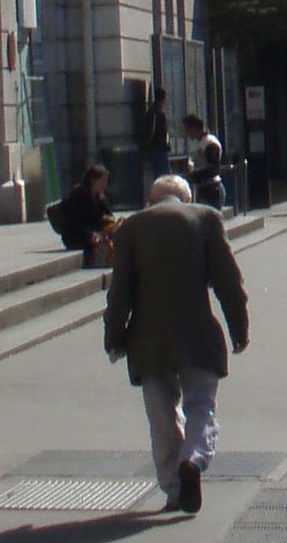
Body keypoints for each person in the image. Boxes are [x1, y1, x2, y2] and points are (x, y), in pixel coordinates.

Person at [104, 173, 250, 513]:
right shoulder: (205, 219)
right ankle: (194, 459)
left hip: (148, 338)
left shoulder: (131, 228)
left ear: (151, 200)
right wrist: (239, 330)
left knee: (162, 414)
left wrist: (114, 337)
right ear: (185, 198)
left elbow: (120, 291)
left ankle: (173, 489)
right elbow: (229, 281)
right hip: (197, 332)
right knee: (200, 404)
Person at [51, 162, 118, 266]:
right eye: (102, 181)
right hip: (77, 237)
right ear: (92, 180)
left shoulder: (99, 197)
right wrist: (91, 235)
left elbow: (109, 215)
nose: (105, 185)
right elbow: (75, 224)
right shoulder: (79, 196)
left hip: (95, 234)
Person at [182, 111, 226, 209]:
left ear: (193, 128)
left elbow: (214, 168)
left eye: (187, 129)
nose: (186, 133)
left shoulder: (210, 143)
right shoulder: (200, 143)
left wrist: (194, 176)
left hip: (212, 190)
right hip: (203, 189)